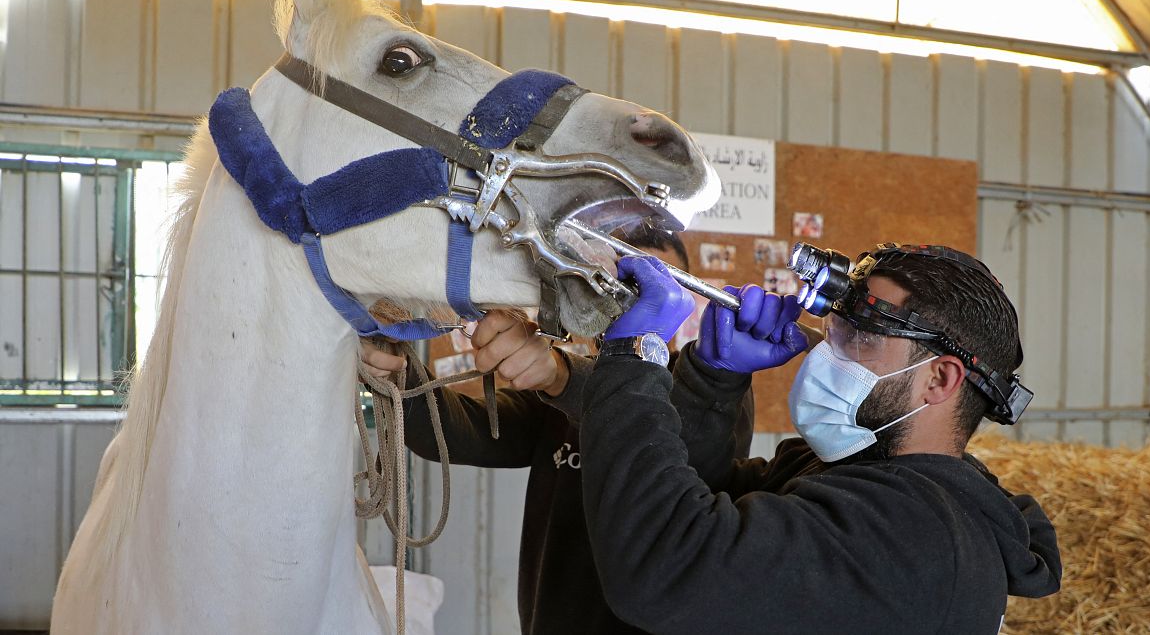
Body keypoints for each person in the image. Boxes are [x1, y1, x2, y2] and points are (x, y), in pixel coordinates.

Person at [577, 246, 1062, 635]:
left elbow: (665, 567)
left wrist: (635, 355)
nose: (825, 353)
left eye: (861, 339)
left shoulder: (915, 534)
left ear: (939, 380)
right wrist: (712, 379)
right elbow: (707, 493)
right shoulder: (855, 474)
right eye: (836, 330)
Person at [360, 227, 757, 635]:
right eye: (620, 283)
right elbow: (453, 434)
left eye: (651, 286)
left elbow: (674, 432)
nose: (631, 301)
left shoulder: (713, 391)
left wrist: (561, 374)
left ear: (680, 301)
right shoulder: (555, 402)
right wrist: (400, 373)